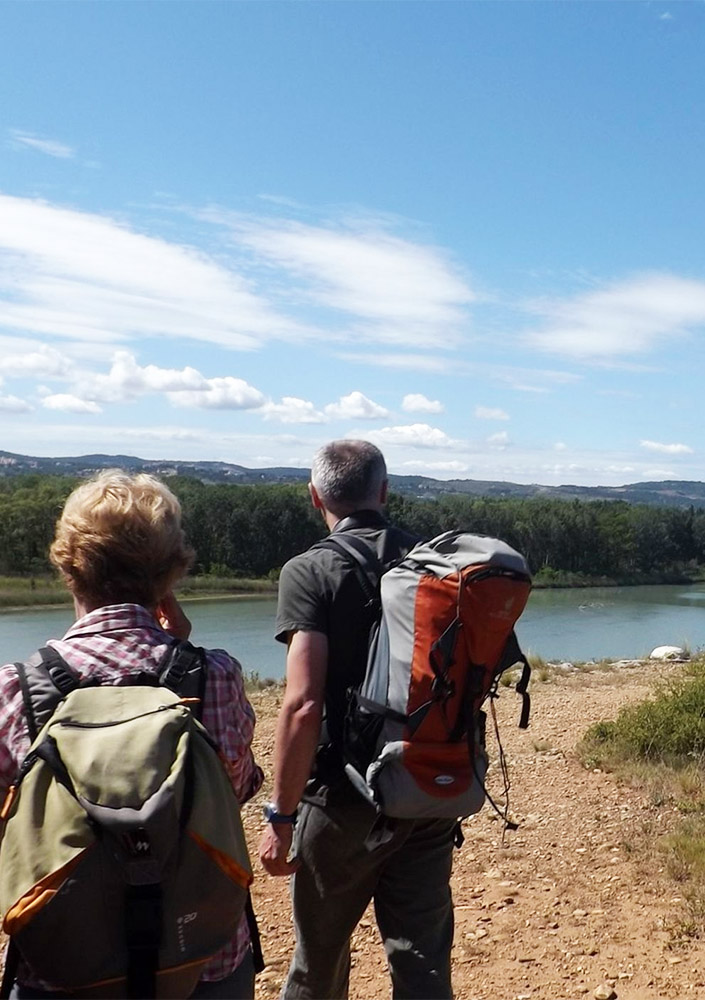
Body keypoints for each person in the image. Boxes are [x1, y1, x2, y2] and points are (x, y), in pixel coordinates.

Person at [0, 471, 263, 1000]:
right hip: (201, 958)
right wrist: (185, 657)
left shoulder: (15, 689)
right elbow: (235, 786)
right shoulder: (216, 676)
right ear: (171, 574)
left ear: (69, 568)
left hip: (62, 965)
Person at [259, 440, 457, 1000]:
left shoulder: (310, 570)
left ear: (315, 495)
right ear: (385, 492)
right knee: (423, 964)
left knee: (316, 964)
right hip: (427, 786)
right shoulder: (434, 565)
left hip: (343, 799)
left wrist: (281, 814)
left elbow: (302, 704)